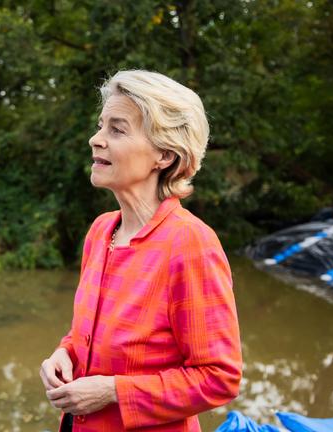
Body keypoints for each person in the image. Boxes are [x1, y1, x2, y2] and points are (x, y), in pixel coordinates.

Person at [39, 70, 242, 431]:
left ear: (164, 155)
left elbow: (219, 377)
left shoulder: (190, 243)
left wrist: (114, 391)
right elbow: (86, 334)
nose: (95, 140)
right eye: (101, 126)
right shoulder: (101, 230)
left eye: (116, 130)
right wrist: (63, 353)